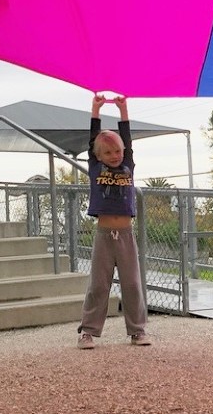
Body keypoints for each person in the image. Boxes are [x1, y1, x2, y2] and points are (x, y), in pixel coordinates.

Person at [77, 95, 151, 349]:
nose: (114, 155)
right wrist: (95, 110)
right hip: (104, 234)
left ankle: (137, 330)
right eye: (108, 152)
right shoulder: (97, 168)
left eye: (117, 151)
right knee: (99, 284)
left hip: (126, 234)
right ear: (98, 156)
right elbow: (92, 141)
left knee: (132, 283)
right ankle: (88, 331)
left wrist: (123, 110)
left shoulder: (127, 164)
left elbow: (127, 141)